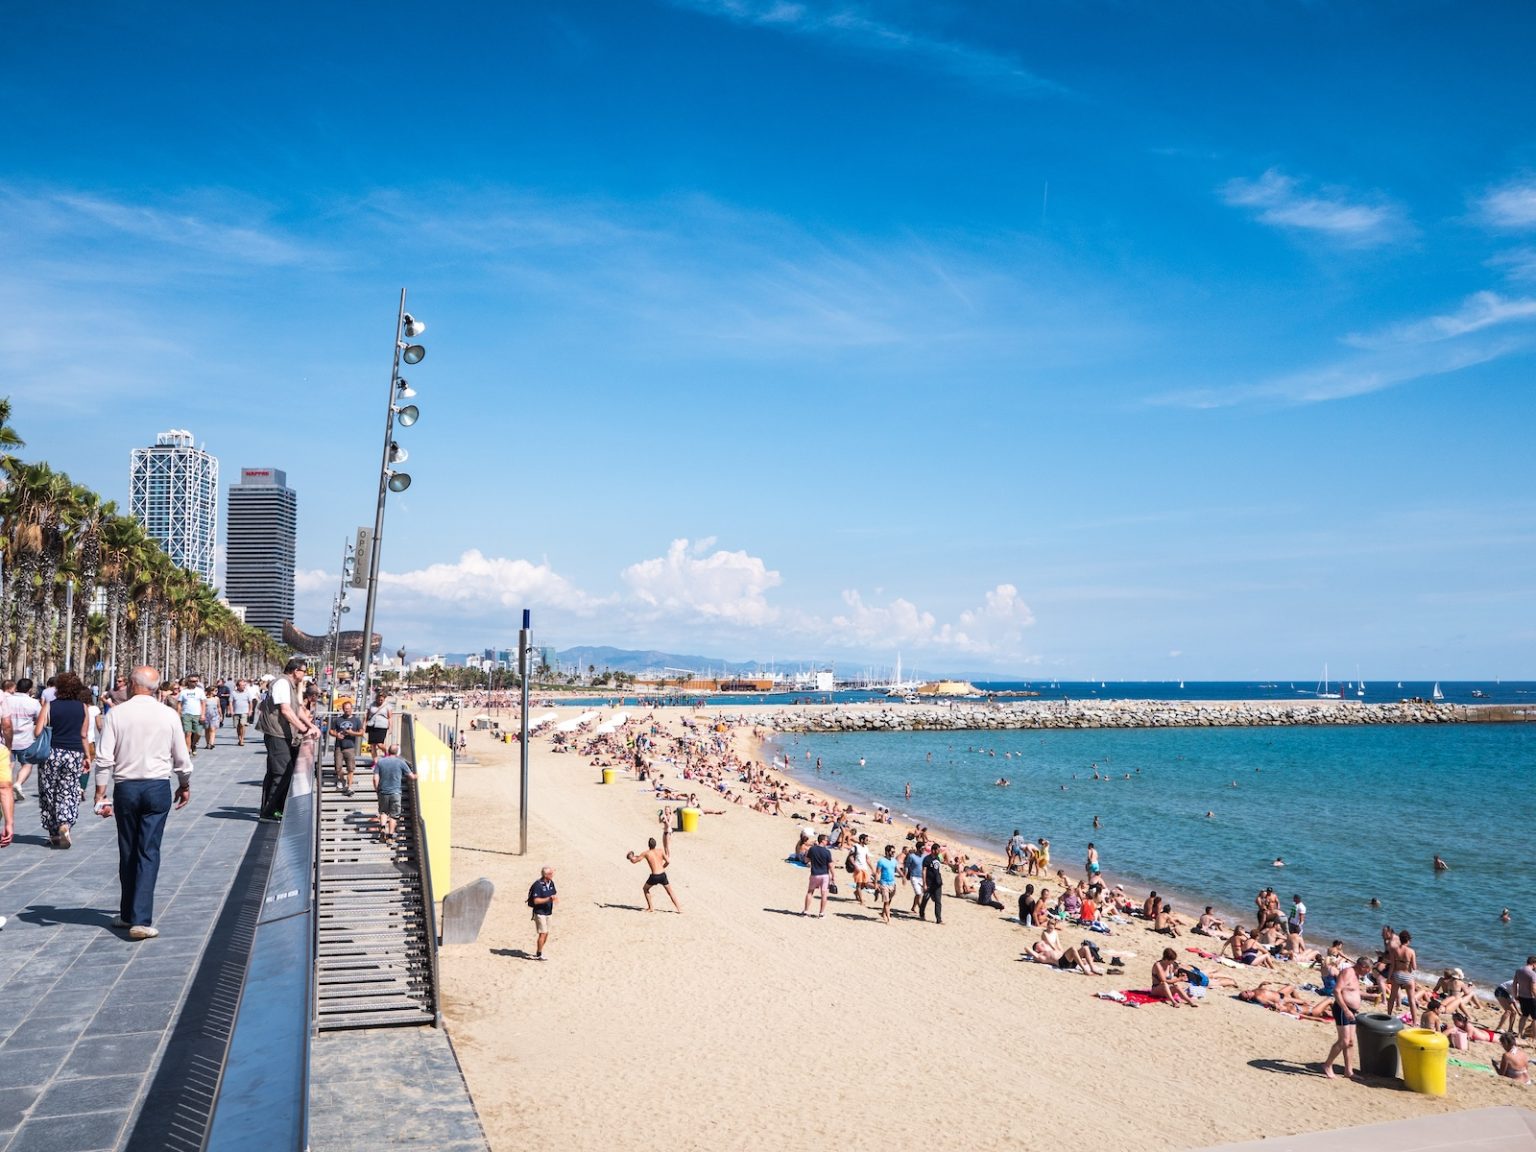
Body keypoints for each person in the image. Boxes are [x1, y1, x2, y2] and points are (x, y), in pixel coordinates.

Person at [92, 666, 192, 940]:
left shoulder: (117, 714)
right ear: (155, 686)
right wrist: (184, 785)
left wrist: (101, 792)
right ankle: (141, 919)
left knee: (128, 848)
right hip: (157, 786)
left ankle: (126, 914)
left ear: (132, 685)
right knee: (148, 850)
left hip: (126, 788)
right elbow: (181, 758)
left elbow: (104, 758)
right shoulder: (168, 714)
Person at [33, 672, 92, 849]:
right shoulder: (83, 708)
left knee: (48, 791)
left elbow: (37, 732)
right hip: (73, 754)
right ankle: (65, 824)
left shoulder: (50, 706)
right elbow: (83, 735)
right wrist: (87, 756)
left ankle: (53, 832)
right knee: (68, 790)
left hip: (51, 753)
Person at [257, 658, 316, 822]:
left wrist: (311, 725)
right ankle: (270, 811)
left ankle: (275, 808)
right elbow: (286, 711)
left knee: (279, 771)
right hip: (277, 734)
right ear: (296, 670)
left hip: (282, 734)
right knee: (282, 772)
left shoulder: (289, 685)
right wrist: (304, 729)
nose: (304, 675)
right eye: (304, 671)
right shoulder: (282, 683)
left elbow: (296, 709)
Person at [1322, 957, 1364, 1080]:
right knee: (1344, 1041)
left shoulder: (1356, 975)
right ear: (1363, 967)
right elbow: (1336, 991)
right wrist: (1345, 1010)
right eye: (1368, 970)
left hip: (1351, 1011)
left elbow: (1352, 991)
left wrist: (1370, 996)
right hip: (1342, 1010)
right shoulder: (1347, 972)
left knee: (1350, 1042)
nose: (1369, 972)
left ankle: (1348, 1071)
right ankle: (1327, 1065)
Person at [628, 827, 681, 913]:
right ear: (655, 844)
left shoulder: (646, 853)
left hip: (654, 876)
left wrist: (630, 857)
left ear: (649, 845)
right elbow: (668, 861)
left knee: (645, 889)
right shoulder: (660, 850)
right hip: (663, 875)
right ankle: (679, 909)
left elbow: (635, 861)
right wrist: (662, 867)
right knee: (670, 892)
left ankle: (651, 907)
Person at [6, 678, 41, 802]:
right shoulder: (33, 703)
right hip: (25, 740)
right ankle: (18, 783)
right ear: (30, 689)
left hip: (6, 739)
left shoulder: (6, 700)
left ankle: (7, 787)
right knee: (27, 764)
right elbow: (39, 718)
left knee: (9, 764)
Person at [371, 742, 416, 841]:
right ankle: (390, 836)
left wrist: (377, 789)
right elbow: (411, 777)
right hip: (395, 793)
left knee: (383, 812)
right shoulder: (401, 762)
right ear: (398, 753)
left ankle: (382, 829)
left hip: (383, 791)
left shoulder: (380, 762)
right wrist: (419, 775)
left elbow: (375, 778)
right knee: (394, 816)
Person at [331, 701, 362, 795]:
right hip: (339, 746)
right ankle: (342, 779)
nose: (347, 710)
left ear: (351, 708)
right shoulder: (338, 720)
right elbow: (331, 731)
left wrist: (352, 733)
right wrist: (337, 735)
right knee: (338, 767)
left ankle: (349, 786)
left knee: (350, 768)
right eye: (345, 708)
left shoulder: (356, 720)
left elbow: (361, 733)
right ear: (343, 709)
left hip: (350, 747)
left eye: (348, 708)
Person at [527, 866, 557, 960]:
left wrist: (554, 899)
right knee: (542, 933)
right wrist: (548, 899)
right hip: (540, 912)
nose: (553, 875)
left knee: (546, 933)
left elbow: (553, 893)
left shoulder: (551, 883)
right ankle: (539, 954)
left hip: (548, 911)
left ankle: (540, 951)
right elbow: (536, 901)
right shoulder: (538, 885)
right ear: (546, 875)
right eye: (551, 874)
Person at [804, 832, 834, 917]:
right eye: (826, 840)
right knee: (824, 894)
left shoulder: (812, 849)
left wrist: (808, 852)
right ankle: (821, 913)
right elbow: (831, 866)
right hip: (824, 875)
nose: (827, 842)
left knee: (810, 892)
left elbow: (806, 860)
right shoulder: (827, 852)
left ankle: (806, 911)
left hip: (814, 874)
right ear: (822, 841)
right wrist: (833, 876)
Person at [176, 675, 206, 755]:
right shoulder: (183, 692)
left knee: (198, 733)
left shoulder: (200, 691)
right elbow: (179, 704)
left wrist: (203, 714)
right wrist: (178, 714)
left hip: (197, 714)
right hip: (186, 714)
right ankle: (187, 750)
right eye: (192, 681)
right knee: (188, 733)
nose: (194, 683)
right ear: (188, 682)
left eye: (196, 681)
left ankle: (193, 744)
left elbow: (203, 703)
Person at [920, 842, 945, 924]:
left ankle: (939, 919)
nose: (939, 851)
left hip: (937, 883)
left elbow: (938, 868)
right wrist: (924, 884)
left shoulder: (938, 858)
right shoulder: (927, 859)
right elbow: (924, 871)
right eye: (938, 850)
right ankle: (922, 913)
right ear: (933, 850)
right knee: (925, 899)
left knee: (938, 901)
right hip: (929, 883)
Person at [226, 678, 256, 747]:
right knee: (238, 726)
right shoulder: (233, 693)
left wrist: (250, 710)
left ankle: (242, 739)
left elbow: (250, 702)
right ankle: (239, 738)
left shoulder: (247, 692)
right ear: (238, 686)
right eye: (242, 685)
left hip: (244, 712)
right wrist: (231, 711)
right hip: (236, 712)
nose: (244, 687)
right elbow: (230, 702)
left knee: (243, 724)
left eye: (244, 685)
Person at [874, 844, 899, 923]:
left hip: (892, 884)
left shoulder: (894, 861)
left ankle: (883, 913)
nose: (893, 853)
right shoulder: (881, 861)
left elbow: (897, 869)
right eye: (892, 852)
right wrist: (876, 884)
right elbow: (877, 873)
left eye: (894, 852)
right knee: (887, 902)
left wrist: (903, 876)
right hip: (884, 883)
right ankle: (888, 918)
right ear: (887, 852)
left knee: (888, 901)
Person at [1515, 955, 1536, 1042]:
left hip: (1521, 997)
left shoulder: (1519, 970)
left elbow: (1514, 984)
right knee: (1535, 1018)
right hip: (1531, 998)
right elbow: (1533, 988)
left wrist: (1515, 995)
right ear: (1534, 964)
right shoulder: (1533, 974)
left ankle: (1519, 1034)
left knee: (1524, 1016)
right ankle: (1534, 1038)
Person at [365, 688, 392, 754]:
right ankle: (375, 761)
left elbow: (390, 717)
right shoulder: (371, 705)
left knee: (379, 744)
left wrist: (390, 727)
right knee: (372, 745)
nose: (380, 700)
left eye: (381, 699)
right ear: (376, 698)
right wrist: (364, 725)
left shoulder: (388, 706)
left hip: (382, 726)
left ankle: (387, 752)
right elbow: (367, 716)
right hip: (372, 725)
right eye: (379, 699)